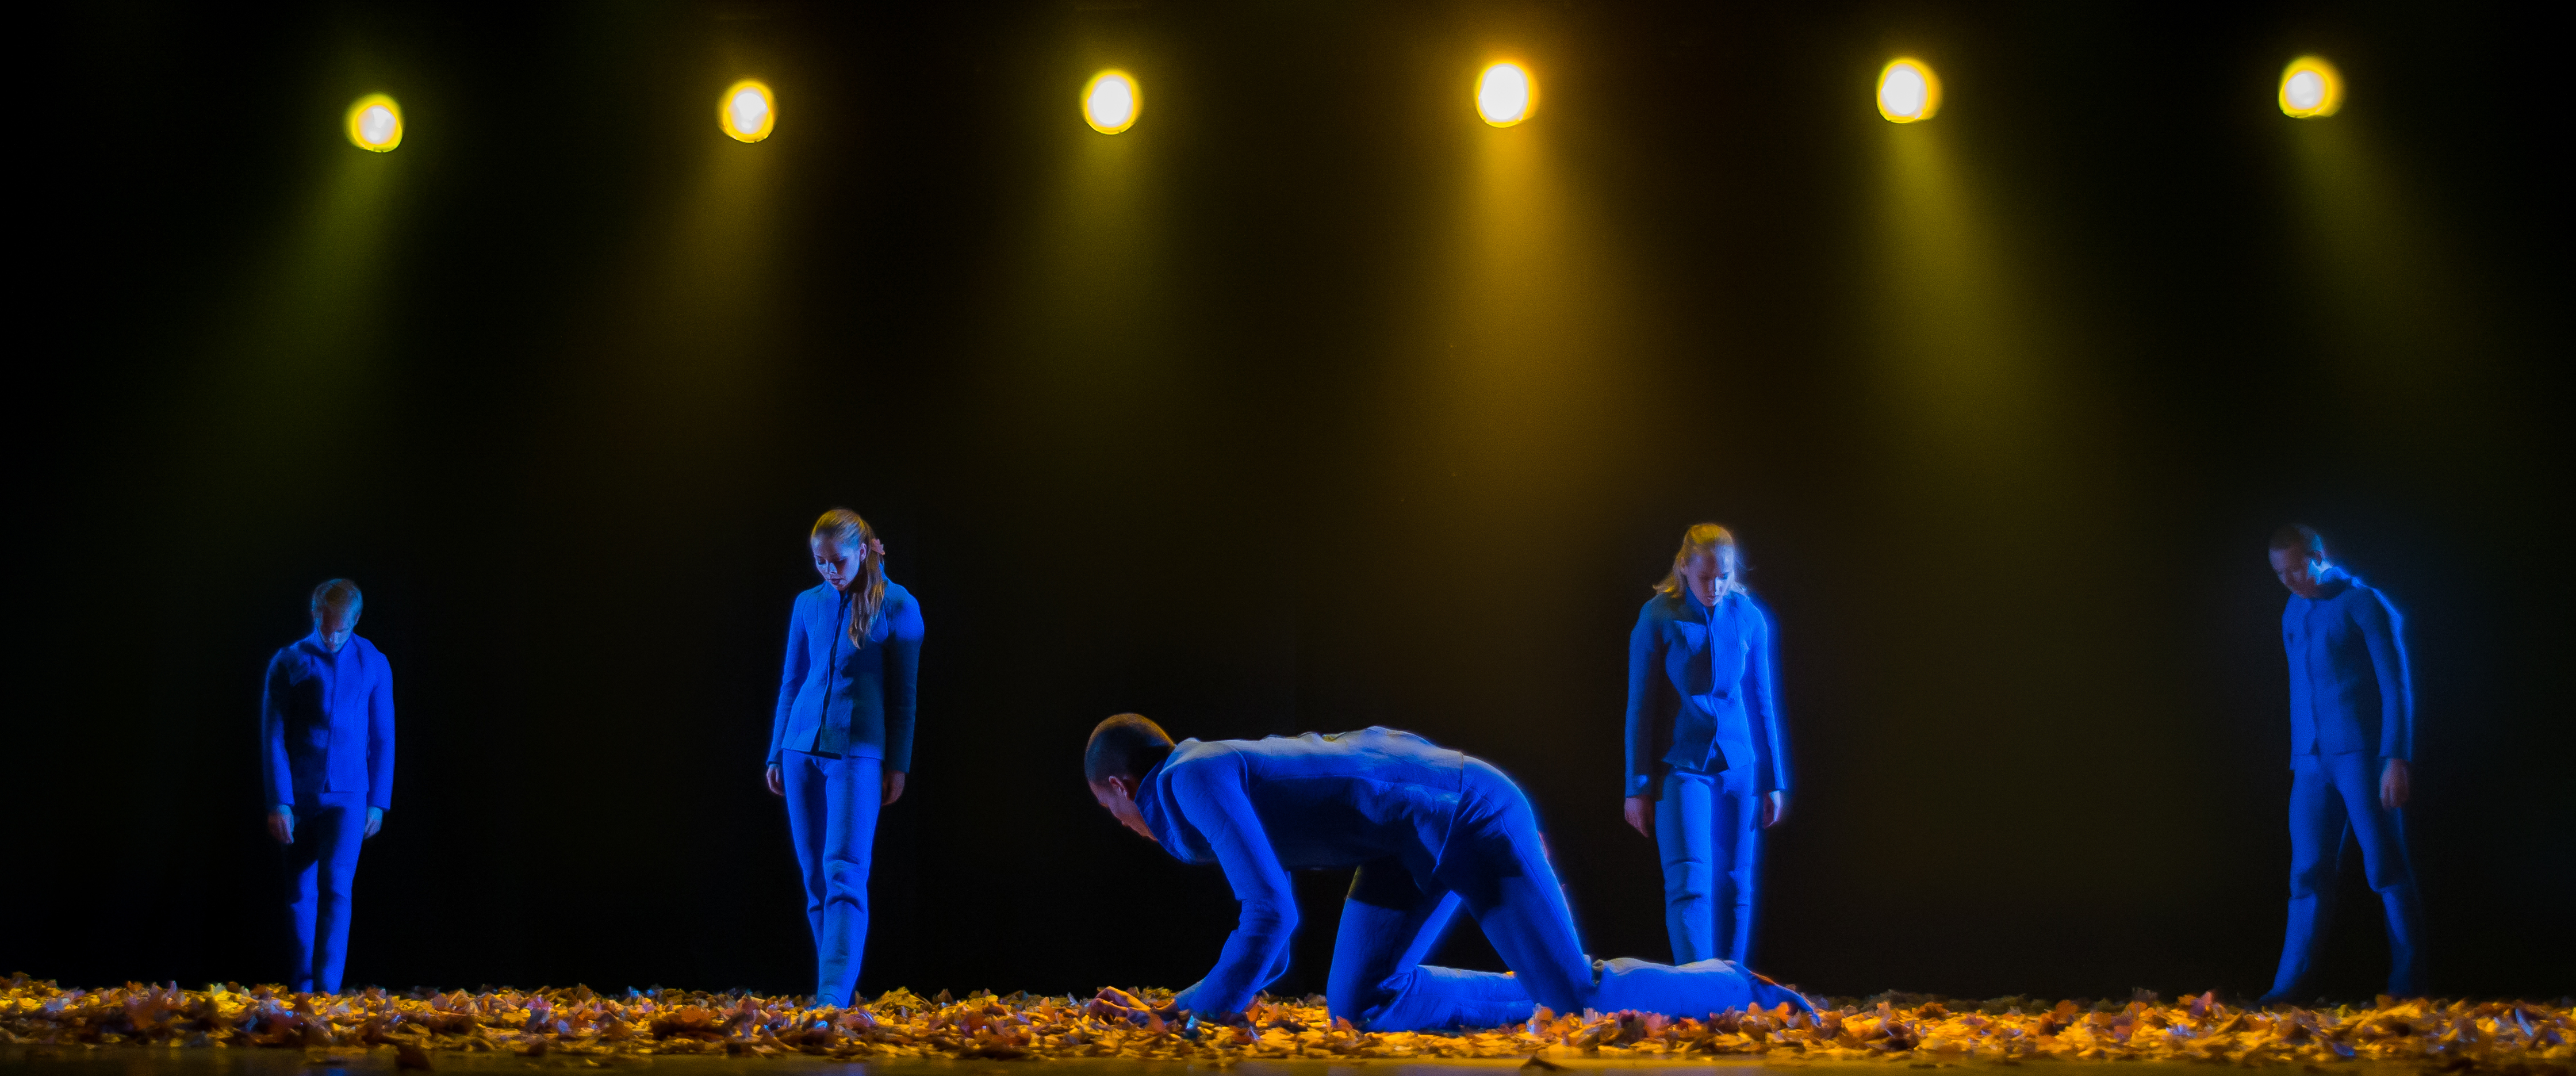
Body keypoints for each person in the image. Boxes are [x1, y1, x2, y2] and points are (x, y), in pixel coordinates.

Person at [1083, 715, 1812, 1033]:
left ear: (1119, 787)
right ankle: (1534, 989)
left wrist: (1184, 1010)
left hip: (1466, 812)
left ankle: (1736, 985)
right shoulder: (1203, 771)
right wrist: (1196, 1001)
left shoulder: (1191, 777)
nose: (1122, 823)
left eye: (1110, 810)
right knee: (1363, 1004)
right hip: (1406, 838)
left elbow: (1271, 915)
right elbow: (1268, 948)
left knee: (1580, 996)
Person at [765, 508, 924, 1008]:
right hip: (799, 751)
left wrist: (898, 763)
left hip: (857, 754)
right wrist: (776, 750)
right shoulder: (807, 603)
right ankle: (834, 992)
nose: (830, 570)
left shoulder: (897, 604)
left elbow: (905, 695)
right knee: (815, 878)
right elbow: (792, 680)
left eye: (838, 560)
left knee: (845, 873)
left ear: (863, 549)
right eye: (820, 561)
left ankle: (831, 997)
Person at [2259, 524, 2424, 1003]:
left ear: (2318, 555)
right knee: (2306, 872)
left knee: (2385, 867)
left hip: (2362, 755)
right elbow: (2300, 687)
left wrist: (2396, 757)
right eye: (2279, 573)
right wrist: (2300, 754)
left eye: (2295, 567)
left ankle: (2409, 984)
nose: (2288, 579)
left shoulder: (2362, 603)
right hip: (2311, 760)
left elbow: (2396, 684)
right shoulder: (2293, 609)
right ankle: (2288, 986)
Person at [1621, 523, 1789, 966]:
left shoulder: (1749, 616)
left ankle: (1732, 988)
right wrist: (1637, 786)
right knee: (1690, 882)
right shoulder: (1657, 617)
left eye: (1723, 577)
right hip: (1682, 766)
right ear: (1683, 567)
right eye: (1705, 577)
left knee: (1736, 882)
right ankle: (1699, 988)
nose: (1714, 586)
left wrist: (1773, 780)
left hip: (1739, 765)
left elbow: (1762, 700)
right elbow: (1640, 707)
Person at [259, 578, 394, 994]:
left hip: (350, 796)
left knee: (337, 888)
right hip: (300, 795)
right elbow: (273, 735)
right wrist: (279, 801)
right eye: (326, 627)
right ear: (315, 613)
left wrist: (378, 801)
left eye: (342, 629)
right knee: (299, 893)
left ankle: (327, 991)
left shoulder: (373, 662)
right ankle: (302, 988)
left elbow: (383, 735)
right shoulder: (289, 660)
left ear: (356, 619)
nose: (333, 637)